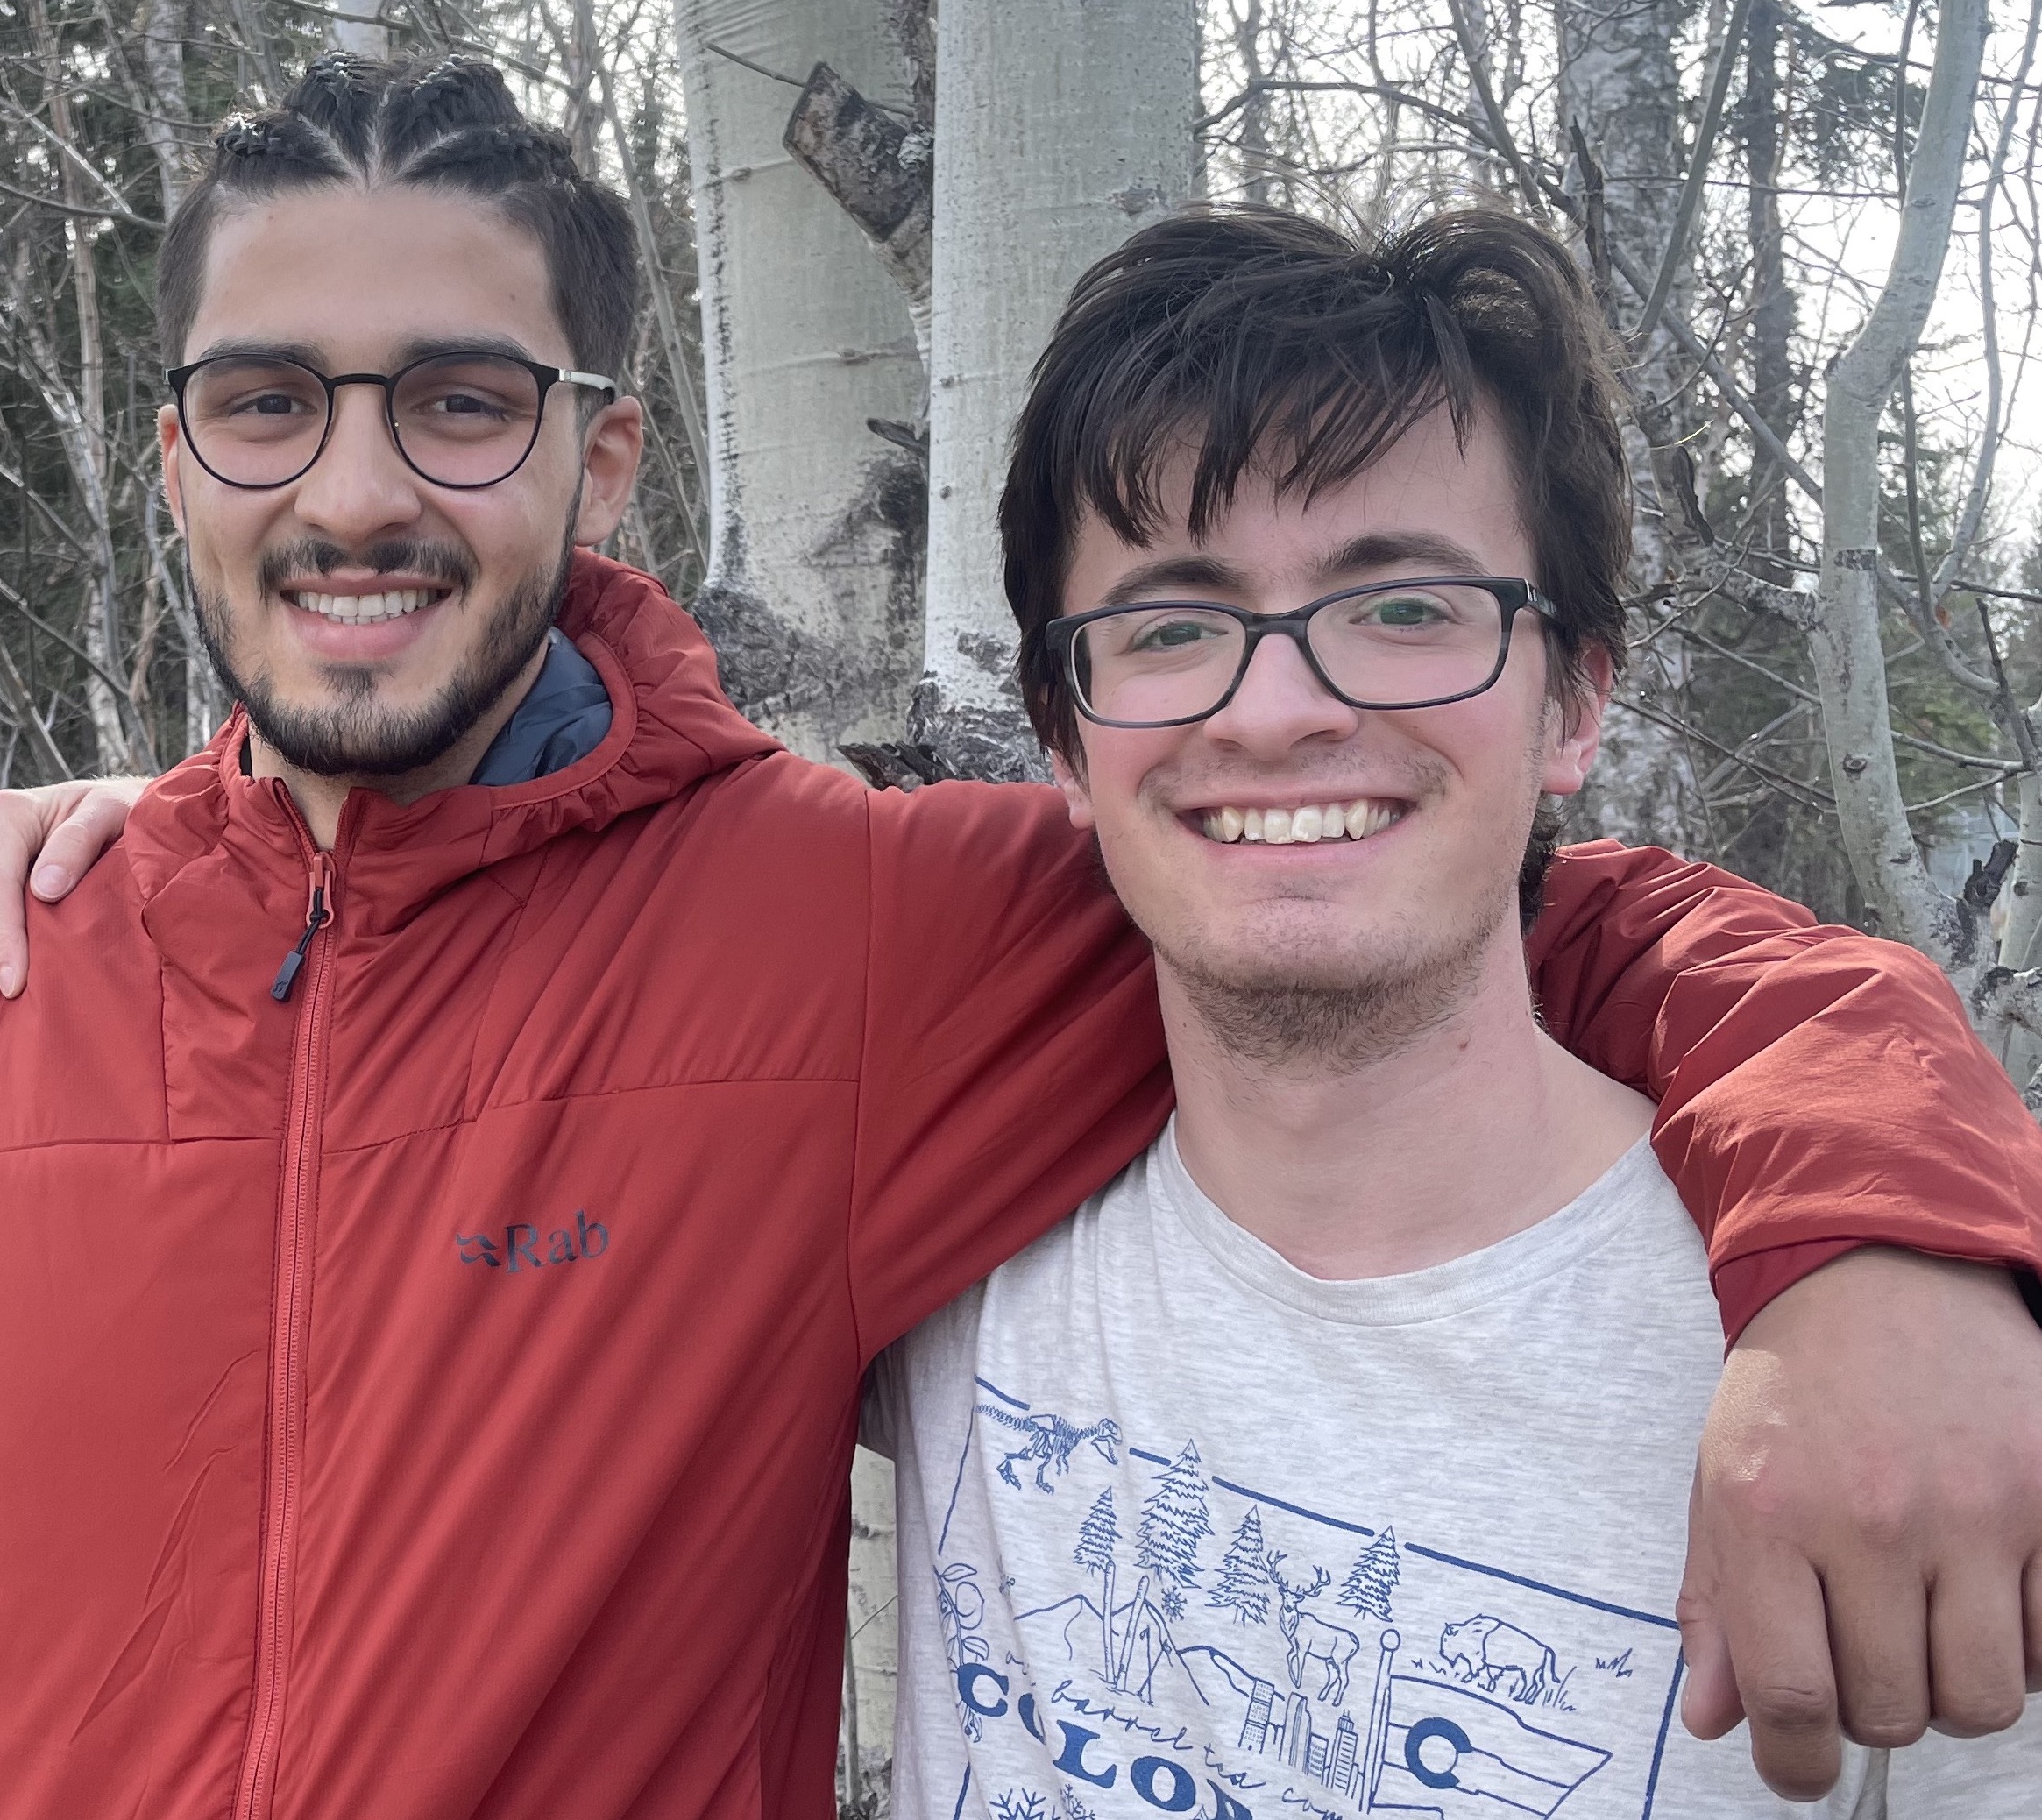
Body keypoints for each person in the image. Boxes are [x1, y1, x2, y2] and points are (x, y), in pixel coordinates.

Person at [0, 52, 2042, 1820]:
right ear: (174, 457)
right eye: (265, 404)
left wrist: (1880, 1230)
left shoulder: (845, 931)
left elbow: (1439, 897)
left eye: (462, 401)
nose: (355, 490)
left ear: (604, 457)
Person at [864, 203, 2040, 1820]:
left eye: (1404, 609)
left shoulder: (1886, 1413)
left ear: (1570, 699)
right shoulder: (940, 1220)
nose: (1278, 710)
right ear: (1066, 740)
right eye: (1169, 626)